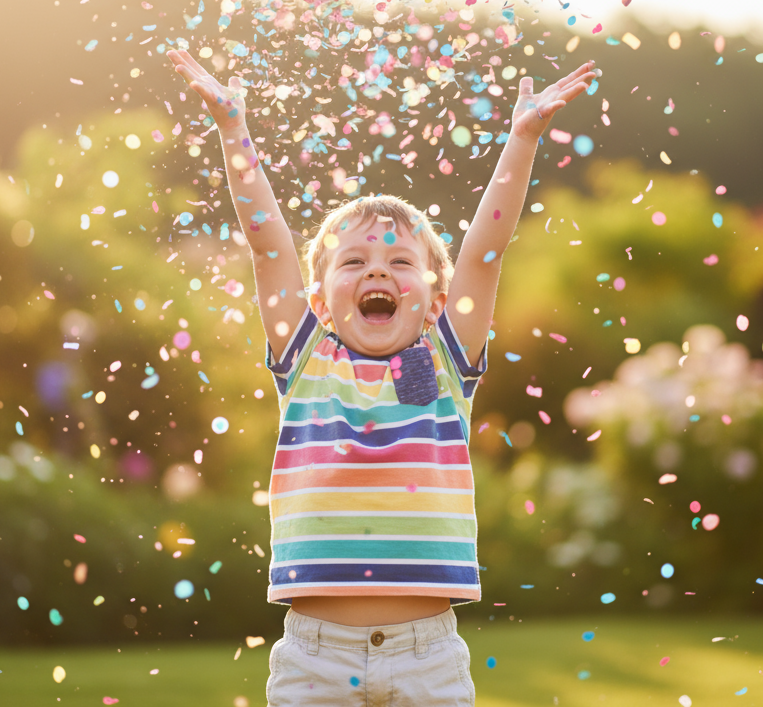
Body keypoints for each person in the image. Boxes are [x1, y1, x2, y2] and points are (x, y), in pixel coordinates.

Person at [169, 47, 598, 706]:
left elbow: (485, 253)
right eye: (353, 261)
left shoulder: (442, 365)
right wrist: (233, 130)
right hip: (315, 657)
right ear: (318, 300)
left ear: (434, 300)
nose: (376, 270)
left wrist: (522, 139)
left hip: (427, 658)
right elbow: (268, 244)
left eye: (401, 261)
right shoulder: (308, 361)